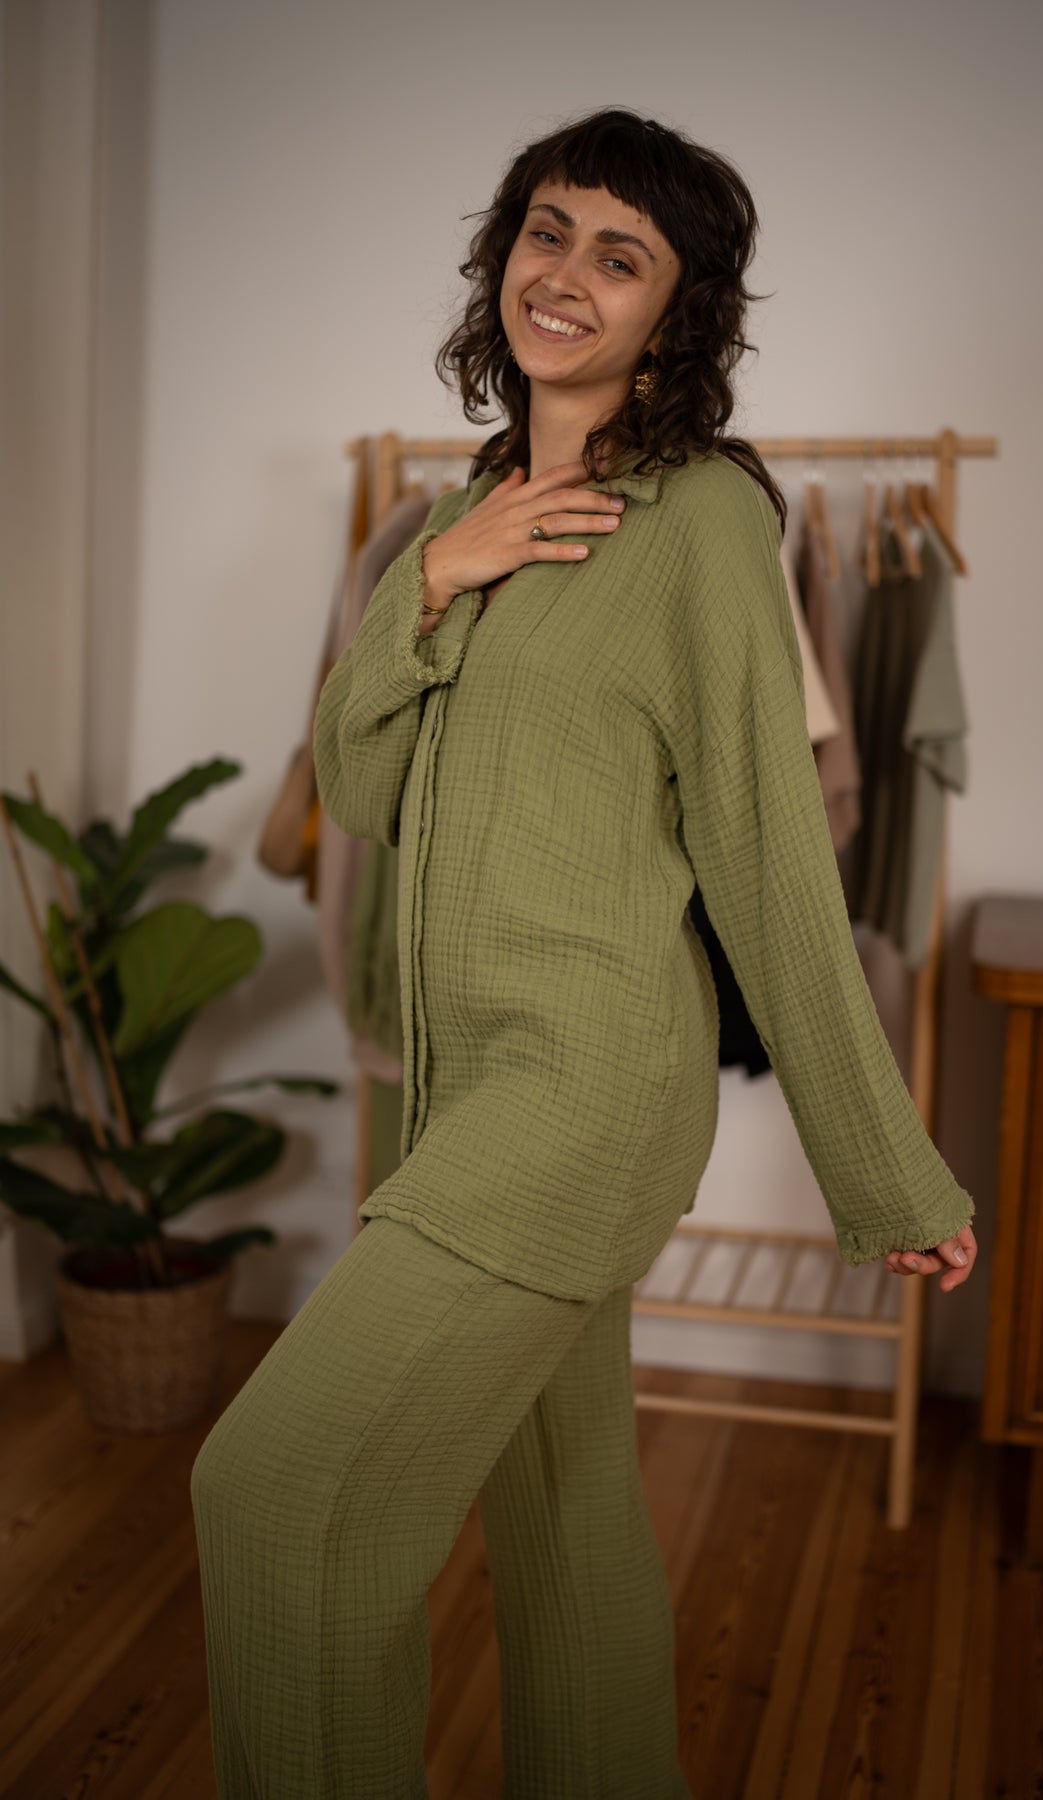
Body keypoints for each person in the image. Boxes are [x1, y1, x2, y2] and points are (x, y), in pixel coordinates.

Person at [190, 106, 978, 1800]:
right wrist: (426, 582)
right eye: (549, 231)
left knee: (275, 1500)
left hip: (584, 1094)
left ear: (677, 313)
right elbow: (363, 793)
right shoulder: (465, 509)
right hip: (454, 1088)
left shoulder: (700, 518)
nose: (568, 274)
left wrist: (886, 1171)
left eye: (623, 255)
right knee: (563, 1519)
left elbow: (769, 850)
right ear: (504, 253)